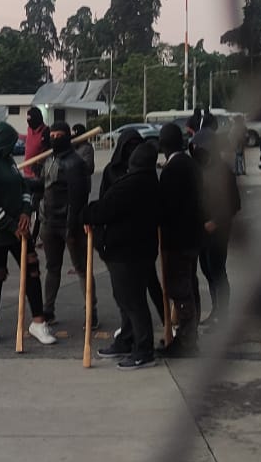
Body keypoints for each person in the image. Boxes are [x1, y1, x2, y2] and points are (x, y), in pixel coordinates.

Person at [0, 122, 55, 347]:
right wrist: (11, 225)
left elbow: (23, 188)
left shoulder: (8, 161)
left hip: (20, 229)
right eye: (10, 142)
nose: (13, 146)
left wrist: (26, 211)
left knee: (32, 270)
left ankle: (38, 322)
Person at [86, 140, 162, 370]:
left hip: (127, 253)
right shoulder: (151, 181)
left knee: (132, 301)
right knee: (127, 299)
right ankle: (127, 340)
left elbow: (104, 209)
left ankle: (143, 350)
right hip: (138, 250)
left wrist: (84, 214)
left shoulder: (131, 184)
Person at [102, 128, 167, 329]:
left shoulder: (145, 170)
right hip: (121, 239)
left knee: (150, 283)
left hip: (142, 237)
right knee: (125, 292)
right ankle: (128, 328)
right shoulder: (112, 170)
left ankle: (167, 323)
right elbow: (105, 202)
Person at [38, 121, 93, 325]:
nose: (54, 140)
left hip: (70, 224)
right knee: (52, 267)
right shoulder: (49, 159)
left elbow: (77, 198)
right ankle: (48, 310)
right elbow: (43, 187)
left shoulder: (75, 163)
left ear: (67, 137)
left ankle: (91, 311)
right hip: (49, 222)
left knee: (81, 268)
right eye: (52, 136)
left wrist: (71, 227)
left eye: (59, 136)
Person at [156, 123, 202, 356]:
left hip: (177, 239)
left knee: (180, 289)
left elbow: (166, 206)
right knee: (190, 285)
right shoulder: (191, 164)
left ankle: (186, 341)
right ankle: (189, 335)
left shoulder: (172, 169)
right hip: (192, 236)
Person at [195, 135, 243, 326]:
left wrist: (216, 222)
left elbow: (234, 204)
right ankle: (216, 309)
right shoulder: (200, 169)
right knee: (207, 269)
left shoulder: (224, 172)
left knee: (217, 271)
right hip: (202, 230)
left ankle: (223, 315)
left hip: (218, 230)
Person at [21, 107, 50, 178]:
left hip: (37, 173)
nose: (28, 121)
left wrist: (37, 170)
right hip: (26, 170)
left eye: (30, 119)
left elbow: (47, 154)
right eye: (28, 119)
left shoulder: (46, 132)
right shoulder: (29, 129)